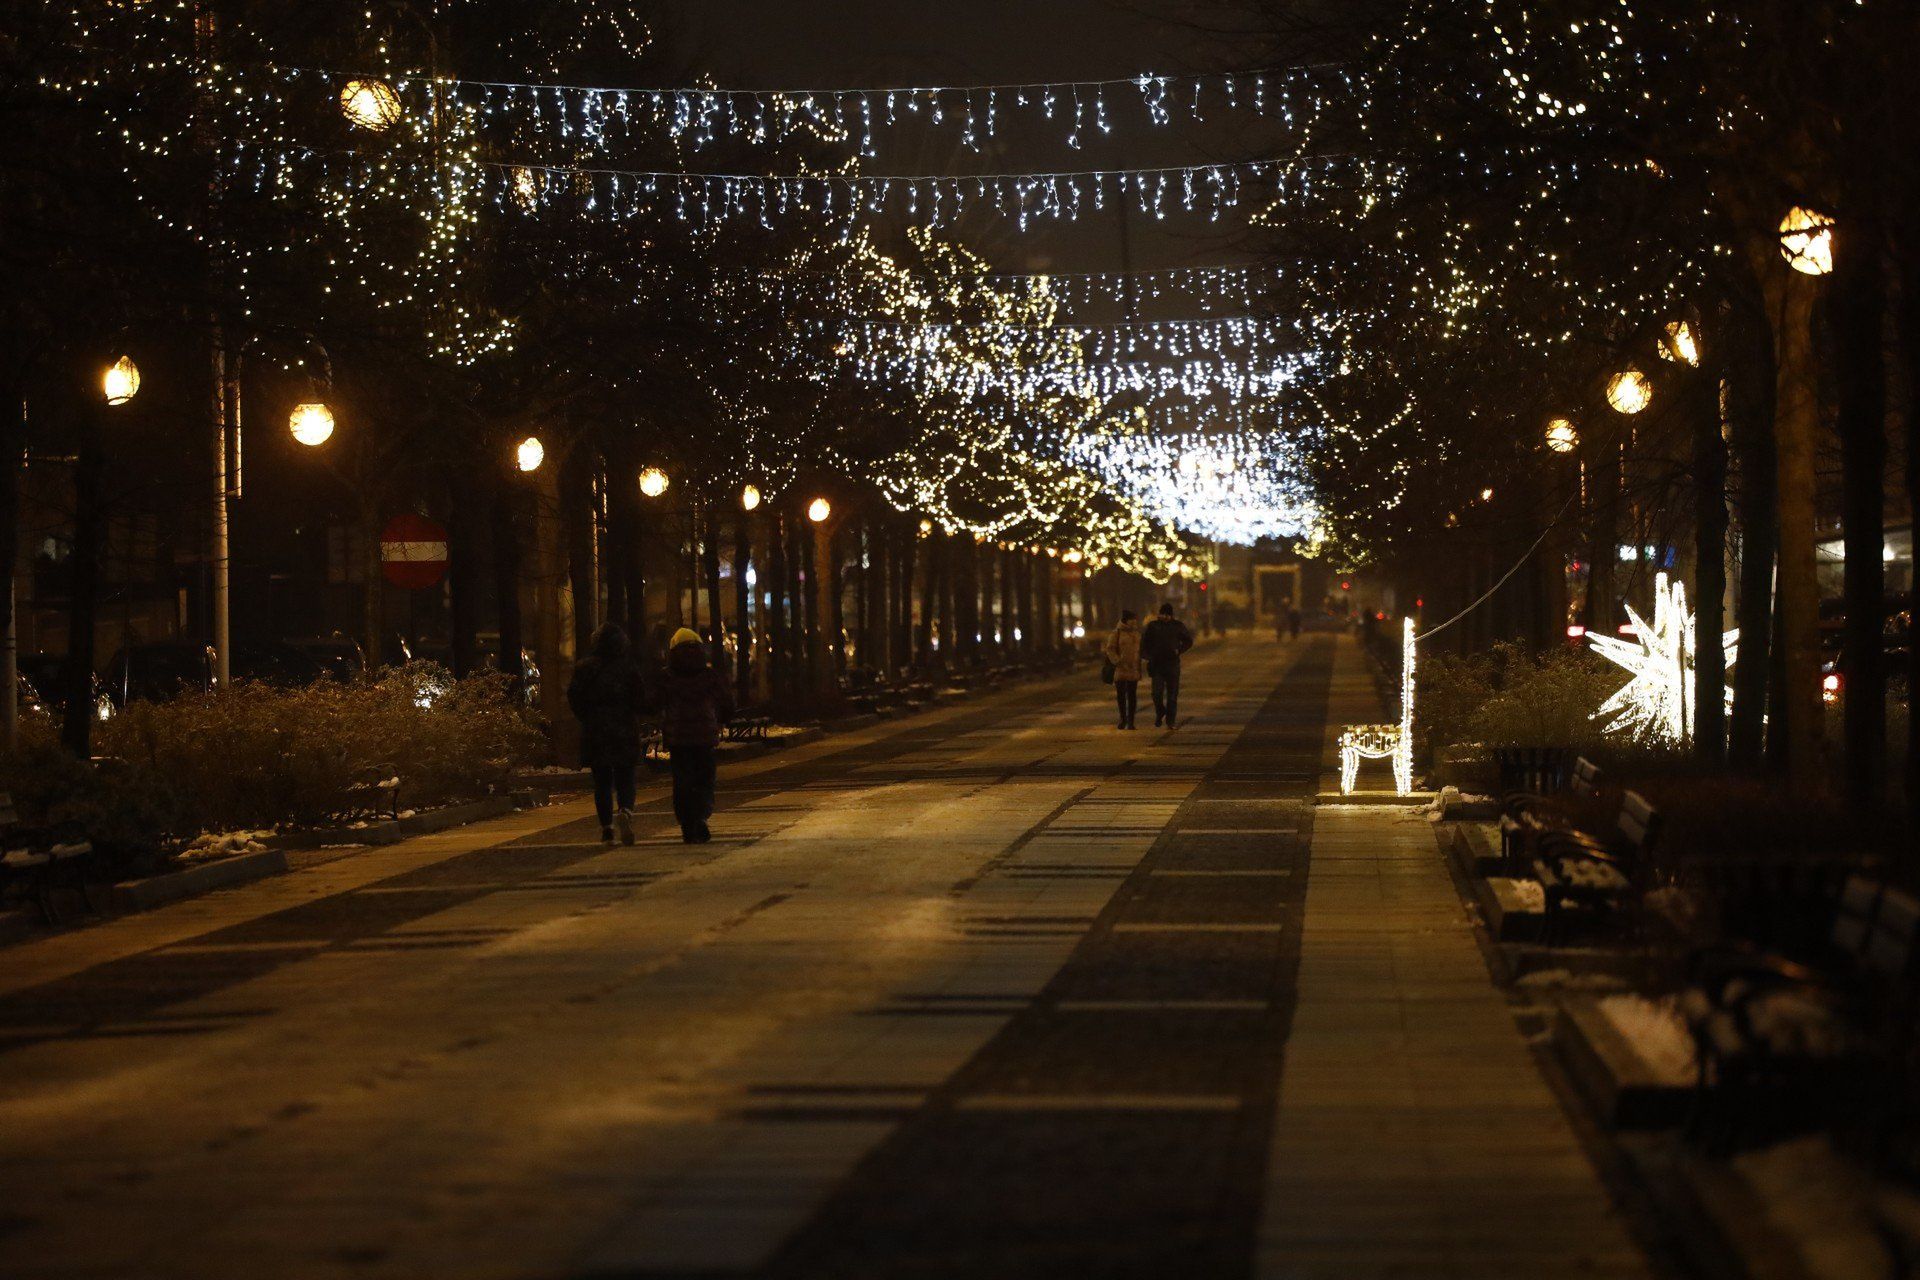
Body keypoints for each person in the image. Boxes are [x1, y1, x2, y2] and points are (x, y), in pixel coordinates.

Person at [567, 623, 644, 846]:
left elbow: (574, 696)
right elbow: (639, 697)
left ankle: (607, 828)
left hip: (596, 730)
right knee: (625, 777)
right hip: (624, 729)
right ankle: (626, 811)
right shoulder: (628, 668)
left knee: (601, 781)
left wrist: (587, 717)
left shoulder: (584, 668)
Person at [656, 626, 735, 844]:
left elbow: (655, 702)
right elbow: (726, 701)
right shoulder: (709, 675)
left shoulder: (667, 677)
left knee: (682, 781)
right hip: (704, 736)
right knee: (705, 779)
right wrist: (725, 717)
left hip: (678, 736)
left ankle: (687, 822)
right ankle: (701, 815)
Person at [1140, 602, 1195, 728]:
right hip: (1157, 664)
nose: (1164, 617)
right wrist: (1148, 656)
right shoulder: (1153, 626)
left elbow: (1188, 641)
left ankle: (1170, 721)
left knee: (1172, 695)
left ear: (1171, 615)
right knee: (1156, 693)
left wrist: (1179, 650)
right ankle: (1160, 712)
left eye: (1167, 615)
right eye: (1162, 614)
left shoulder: (1177, 626)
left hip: (1172, 664)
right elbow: (1144, 644)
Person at [1103, 610, 1143, 730]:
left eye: (1135, 619)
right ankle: (1123, 719)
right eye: (1132, 619)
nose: (1134, 621)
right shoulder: (1117, 633)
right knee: (1121, 695)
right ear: (1126, 620)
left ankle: (1131, 721)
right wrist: (1117, 660)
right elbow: (1110, 649)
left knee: (1132, 696)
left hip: (1133, 669)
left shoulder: (1137, 634)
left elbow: (1140, 650)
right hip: (1120, 669)